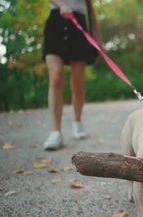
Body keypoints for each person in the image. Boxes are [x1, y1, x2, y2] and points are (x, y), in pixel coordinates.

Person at [42, 0, 102, 150]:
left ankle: (77, 120)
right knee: (55, 78)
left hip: (79, 24)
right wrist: (61, 5)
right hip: (56, 22)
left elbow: (90, 8)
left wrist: (98, 38)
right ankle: (56, 132)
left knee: (77, 83)